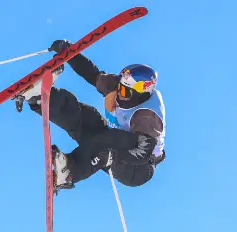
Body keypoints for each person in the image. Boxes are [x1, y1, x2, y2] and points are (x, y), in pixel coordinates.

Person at [14, 39, 166, 193]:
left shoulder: (146, 117)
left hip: (138, 169)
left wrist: (114, 155)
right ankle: (42, 98)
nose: (120, 94)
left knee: (111, 138)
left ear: (141, 94)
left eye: (126, 92)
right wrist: (69, 52)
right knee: (89, 117)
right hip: (114, 142)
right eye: (120, 87)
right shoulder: (118, 86)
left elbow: (143, 154)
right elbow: (92, 74)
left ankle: (69, 173)